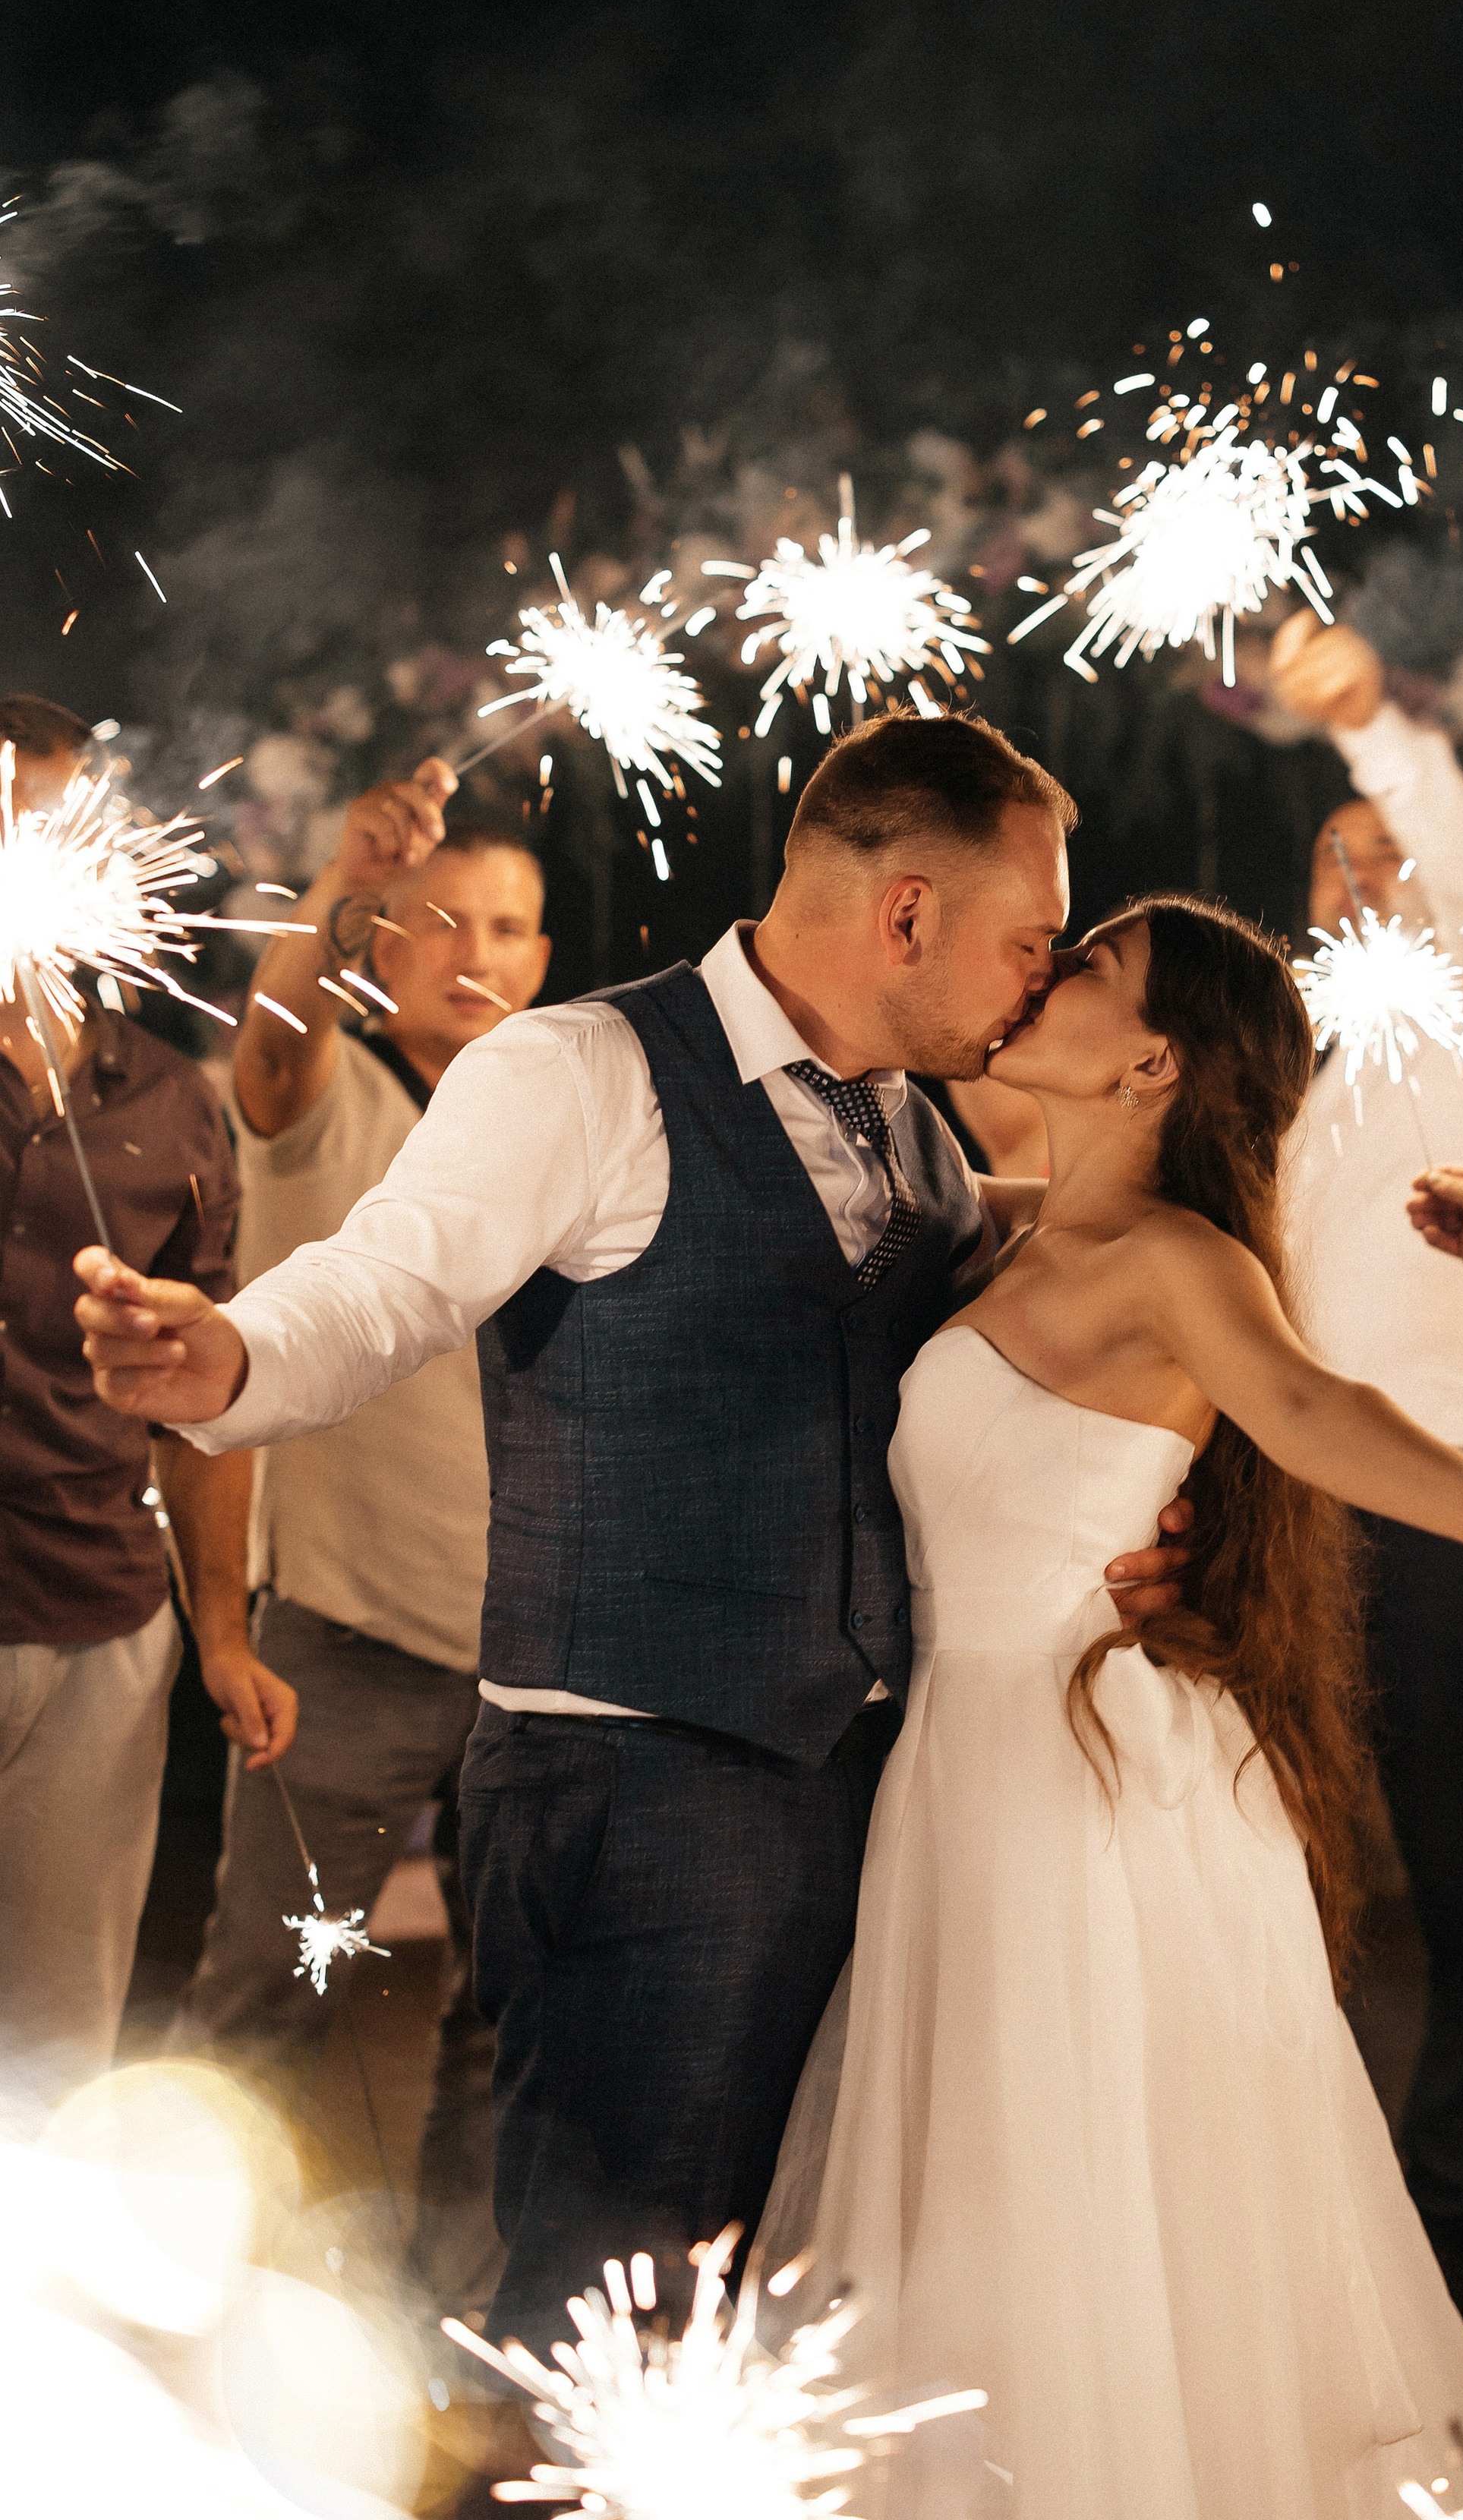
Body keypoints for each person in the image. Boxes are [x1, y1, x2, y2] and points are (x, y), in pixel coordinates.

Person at [645, 897, 1463, 2520]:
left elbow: (1300, 1403)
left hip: (1082, 1786)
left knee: (1082, 2209)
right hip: (966, 1766)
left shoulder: (1182, 1258)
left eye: (1086, 966)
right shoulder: (1014, 1222)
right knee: (971, 2205)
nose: (1037, 977)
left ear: (1152, 1060)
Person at [71, 713, 1189, 2353]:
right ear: (904, 914)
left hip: (864, 1782)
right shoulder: (579, 1071)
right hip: (640, 1780)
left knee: (767, 2297)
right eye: (1027, 941)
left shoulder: (914, 1133)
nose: (1037, 980)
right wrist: (224, 1356)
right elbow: (388, 1286)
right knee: (606, 2318)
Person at [172, 756, 551, 2317]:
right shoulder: (335, 1106)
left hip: (536, 1662)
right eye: (440, 917)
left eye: (516, 924)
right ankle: (192, 2307)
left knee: (503, 2019)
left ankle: (446, 2327)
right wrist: (333, 891)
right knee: (267, 1999)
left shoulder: (564, 1120)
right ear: (381, 943)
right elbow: (271, 1053)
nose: (479, 949)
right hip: (348, 1646)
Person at [1265, 612, 1463, 2320]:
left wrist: (1379, 727)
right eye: (1339, 860)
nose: (1372, 881)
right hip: (1287, 1515)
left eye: (1395, 859)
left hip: (1452, 1510)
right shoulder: (1294, 1096)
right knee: (1268, 1884)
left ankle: (1440, 2250)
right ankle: (1306, 2240)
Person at [1, 694, 295, 2086]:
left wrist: (223, 1633)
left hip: (100, 1618)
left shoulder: (171, 1100)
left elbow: (206, 1395)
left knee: (58, 2044)